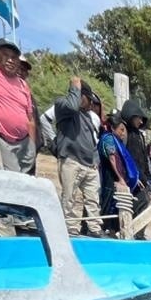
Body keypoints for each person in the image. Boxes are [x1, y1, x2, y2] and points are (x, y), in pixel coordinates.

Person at [54, 78, 102, 237]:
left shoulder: (88, 117)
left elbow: (92, 140)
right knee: (69, 199)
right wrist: (75, 87)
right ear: (82, 96)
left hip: (89, 164)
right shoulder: (63, 106)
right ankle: (69, 229)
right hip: (71, 161)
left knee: (93, 200)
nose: (91, 105)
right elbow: (72, 106)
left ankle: (95, 229)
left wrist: (95, 161)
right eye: (90, 100)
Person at [0, 38, 35, 173]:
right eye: (6, 55)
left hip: (24, 141)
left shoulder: (23, 84)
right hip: (3, 139)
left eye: (14, 57)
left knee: (25, 177)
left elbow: (30, 117)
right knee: (13, 176)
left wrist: (32, 144)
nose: (10, 60)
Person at [98, 114, 142, 235]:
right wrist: (120, 178)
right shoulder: (108, 139)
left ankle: (112, 230)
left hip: (116, 177)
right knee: (108, 203)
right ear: (112, 128)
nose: (123, 133)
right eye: (121, 130)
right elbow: (113, 159)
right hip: (110, 177)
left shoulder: (117, 141)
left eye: (124, 131)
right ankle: (104, 229)